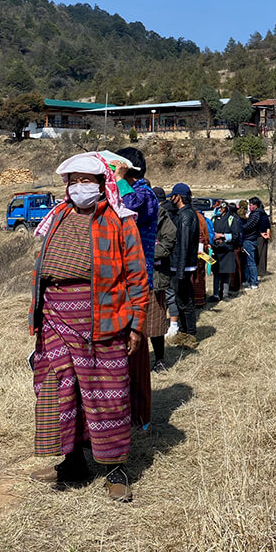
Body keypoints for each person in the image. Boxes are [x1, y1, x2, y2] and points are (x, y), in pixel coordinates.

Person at [29, 152, 149, 503]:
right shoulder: (58, 216)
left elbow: (138, 278)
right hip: (54, 317)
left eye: (87, 179)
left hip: (102, 320)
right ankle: (72, 463)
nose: (79, 186)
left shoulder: (120, 222)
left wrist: (136, 327)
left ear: (101, 184)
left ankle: (116, 470)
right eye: (73, 179)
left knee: (106, 395)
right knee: (58, 391)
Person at [112, 148, 158, 432]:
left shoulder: (144, 194)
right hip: (118, 283)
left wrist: (119, 178)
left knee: (136, 351)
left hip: (137, 283)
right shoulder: (122, 189)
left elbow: (130, 205)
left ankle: (140, 415)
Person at [167, 183, 199, 349]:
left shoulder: (186, 215)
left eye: (172, 196)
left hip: (183, 266)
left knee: (185, 302)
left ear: (177, 197)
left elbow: (184, 244)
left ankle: (191, 335)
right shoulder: (183, 213)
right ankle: (184, 333)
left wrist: (180, 270)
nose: (170, 199)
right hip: (180, 265)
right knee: (180, 301)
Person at [150, 188, 177, 372]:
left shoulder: (162, 217)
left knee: (155, 320)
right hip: (129, 277)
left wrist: (144, 253)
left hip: (155, 276)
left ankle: (159, 359)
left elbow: (167, 244)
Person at [210, 201, 240, 301]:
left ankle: (225, 294)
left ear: (224, 209)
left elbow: (236, 236)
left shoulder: (232, 219)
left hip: (227, 249)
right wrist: (213, 238)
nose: (218, 210)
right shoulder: (214, 219)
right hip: (216, 249)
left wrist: (222, 236)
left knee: (226, 273)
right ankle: (215, 295)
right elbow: (210, 232)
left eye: (219, 208)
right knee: (216, 273)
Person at [242, 197, 262, 290]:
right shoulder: (253, 214)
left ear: (255, 205)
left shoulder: (256, 214)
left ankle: (254, 282)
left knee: (251, 262)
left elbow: (249, 226)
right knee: (248, 262)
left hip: (250, 239)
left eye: (251, 205)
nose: (249, 206)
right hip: (249, 239)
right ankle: (248, 280)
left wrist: (241, 227)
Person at [257, 203, 271, 277]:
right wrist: (268, 234)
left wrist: (261, 234)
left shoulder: (257, 215)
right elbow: (269, 226)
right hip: (265, 235)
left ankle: (259, 271)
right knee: (263, 254)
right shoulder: (265, 215)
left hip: (259, 236)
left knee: (258, 254)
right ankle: (262, 270)